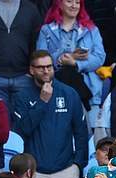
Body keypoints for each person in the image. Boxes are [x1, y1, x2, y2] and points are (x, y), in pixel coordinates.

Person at [14, 50, 88, 178]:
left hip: (66, 170)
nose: (46, 71)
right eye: (40, 68)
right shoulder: (23, 96)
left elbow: (81, 132)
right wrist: (42, 102)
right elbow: (24, 129)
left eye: (49, 66)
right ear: (31, 70)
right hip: (36, 172)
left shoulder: (69, 93)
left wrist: (78, 164)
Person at [37, 0, 106, 128]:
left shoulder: (91, 29)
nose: (74, 6)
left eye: (78, 2)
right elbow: (40, 58)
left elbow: (100, 58)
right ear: (59, 4)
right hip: (57, 90)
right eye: (69, 1)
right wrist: (61, 58)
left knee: (90, 136)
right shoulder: (46, 30)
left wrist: (74, 62)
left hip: (88, 90)